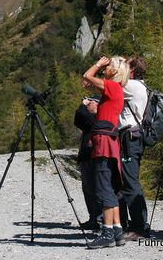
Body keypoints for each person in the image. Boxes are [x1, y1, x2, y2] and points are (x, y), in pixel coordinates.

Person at [82, 56, 129, 249]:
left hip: (103, 142)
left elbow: (87, 75)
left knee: (103, 187)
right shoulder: (114, 89)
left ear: (115, 71)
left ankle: (107, 231)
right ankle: (117, 230)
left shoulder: (113, 86)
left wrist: (99, 64)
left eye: (110, 66)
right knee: (109, 186)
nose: (106, 67)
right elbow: (87, 82)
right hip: (109, 140)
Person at [117, 57, 150, 241]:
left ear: (131, 71)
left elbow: (107, 86)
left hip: (130, 137)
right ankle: (128, 224)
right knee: (126, 181)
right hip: (130, 137)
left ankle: (139, 228)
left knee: (130, 182)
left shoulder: (132, 86)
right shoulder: (136, 85)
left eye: (125, 66)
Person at [74, 97, 102, 230]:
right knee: (87, 188)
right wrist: (82, 107)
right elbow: (78, 120)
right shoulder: (88, 118)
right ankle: (93, 218)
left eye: (92, 101)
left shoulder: (100, 117)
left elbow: (88, 120)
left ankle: (101, 218)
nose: (89, 104)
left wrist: (83, 107)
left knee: (98, 188)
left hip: (96, 155)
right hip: (86, 155)